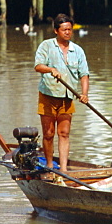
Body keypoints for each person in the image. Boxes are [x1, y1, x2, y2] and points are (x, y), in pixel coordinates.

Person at [34, 14, 89, 173]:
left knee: (64, 133)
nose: (67, 32)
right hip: (48, 96)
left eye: (70, 30)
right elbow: (38, 66)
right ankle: (50, 166)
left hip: (67, 97)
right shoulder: (46, 46)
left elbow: (84, 75)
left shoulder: (77, 50)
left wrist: (84, 94)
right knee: (49, 134)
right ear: (56, 31)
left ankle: (64, 170)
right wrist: (51, 69)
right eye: (64, 30)